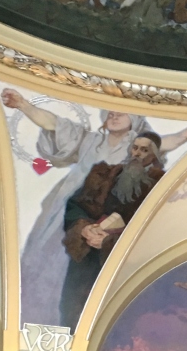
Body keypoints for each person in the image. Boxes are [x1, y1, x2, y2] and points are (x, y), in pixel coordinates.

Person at [1, 88, 187, 324]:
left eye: (122, 113)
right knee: (49, 258)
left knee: (85, 274)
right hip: (74, 206)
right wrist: (24, 105)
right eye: (111, 111)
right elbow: (53, 123)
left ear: (135, 120)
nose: (114, 114)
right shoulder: (89, 140)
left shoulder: (135, 146)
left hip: (107, 213)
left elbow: (162, 143)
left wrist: (184, 135)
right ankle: (36, 317)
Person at [59, 132, 165, 327]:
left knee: (112, 317)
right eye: (135, 148)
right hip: (88, 258)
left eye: (144, 150)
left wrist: (109, 243)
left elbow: (158, 232)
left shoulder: (162, 187)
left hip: (122, 264)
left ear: (155, 155)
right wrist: (85, 228)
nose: (137, 154)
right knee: (73, 309)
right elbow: (76, 205)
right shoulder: (105, 175)